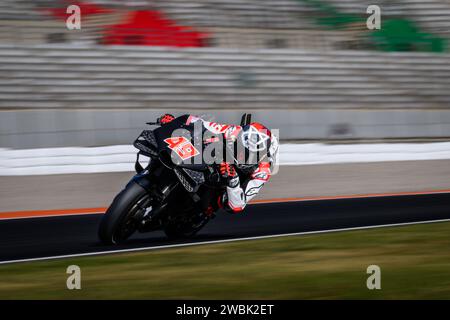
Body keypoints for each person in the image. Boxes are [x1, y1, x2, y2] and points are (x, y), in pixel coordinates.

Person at [158, 113, 279, 213]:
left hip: (227, 187)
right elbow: (199, 122)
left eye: (250, 155)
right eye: (242, 149)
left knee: (221, 202)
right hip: (216, 161)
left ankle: (200, 209)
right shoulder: (233, 131)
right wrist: (174, 122)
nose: (243, 156)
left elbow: (238, 205)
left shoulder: (262, 172)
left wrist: (233, 181)